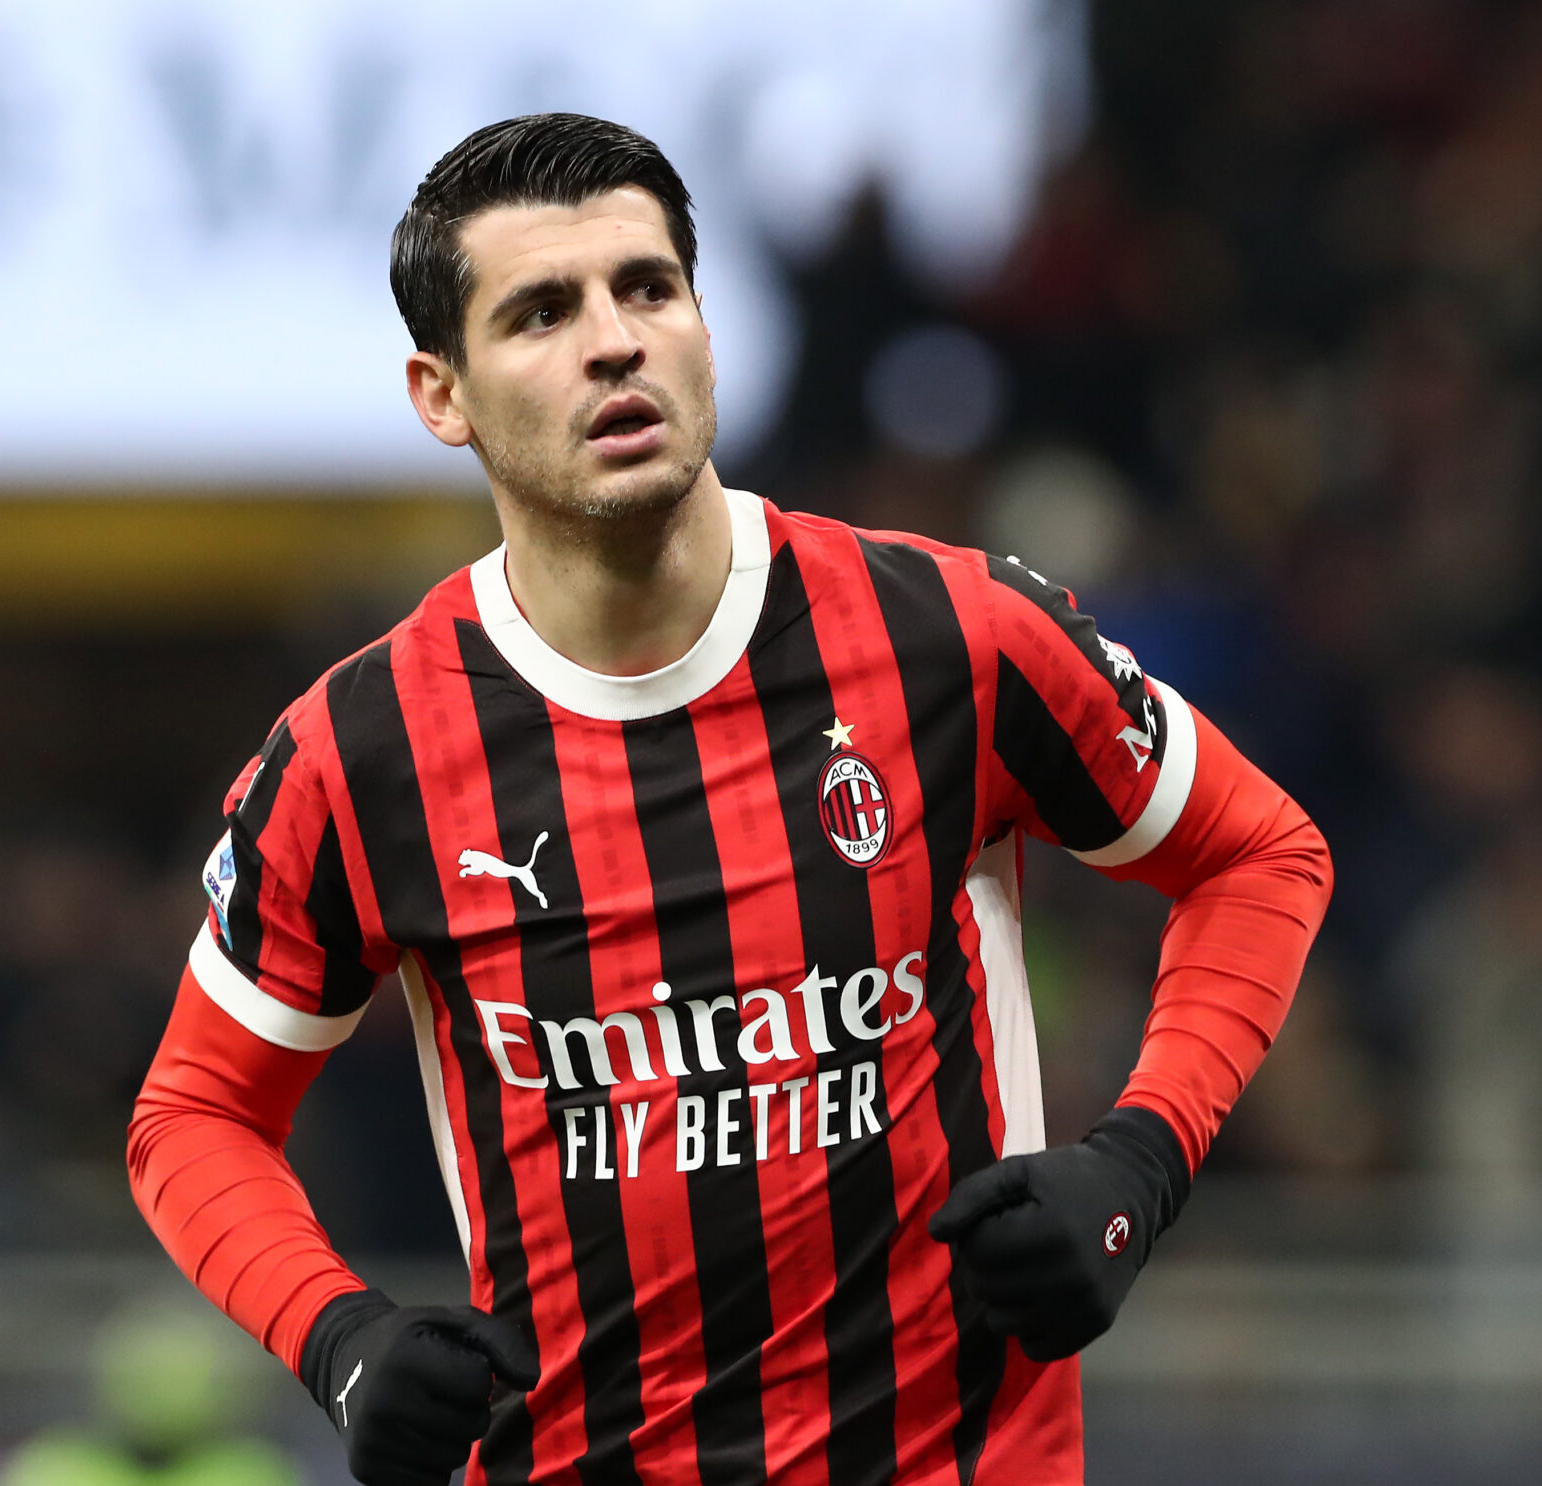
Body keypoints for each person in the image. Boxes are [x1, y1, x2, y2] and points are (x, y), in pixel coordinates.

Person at [128, 113, 1331, 1486]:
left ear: (705, 326)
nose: (614, 342)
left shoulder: (950, 631)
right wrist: (335, 1334)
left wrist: (1137, 1162)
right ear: (440, 394)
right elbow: (191, 1115)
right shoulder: (363, 750)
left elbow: (1259, 852)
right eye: (541, 312)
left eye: (648, 288)